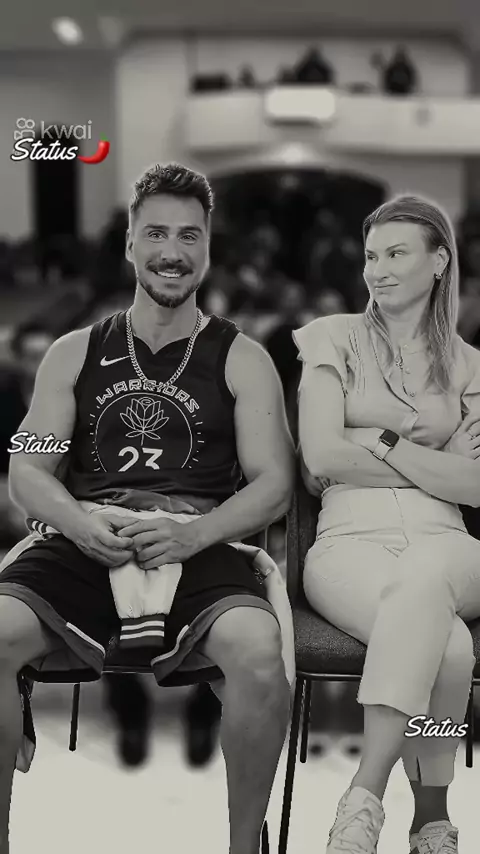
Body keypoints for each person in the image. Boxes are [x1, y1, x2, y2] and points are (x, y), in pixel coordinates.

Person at [0, 162, 295, 854]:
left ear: (208, 248)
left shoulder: (242, 358)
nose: (173, 251)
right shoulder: (73, 354)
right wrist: (79, 523)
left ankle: (244, 848)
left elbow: (274, 483)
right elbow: (28, 469)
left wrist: (195, 536)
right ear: (131, 243)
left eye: (190, 236)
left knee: (259, 653)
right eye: (156, 233)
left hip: (197, 538)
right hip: (86, 533)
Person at [293, 194, 480, 854]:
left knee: (428, 572)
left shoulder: (472, 365)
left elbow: (476, 487)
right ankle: (432, 818)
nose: (378, 270)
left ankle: (363, 796)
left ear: (439, 261)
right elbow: (320, 456)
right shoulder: (331, 338)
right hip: (349, 543)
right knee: (449, 647)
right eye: (371, 256)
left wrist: (378, 440)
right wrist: (438, 462)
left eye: (396, 254)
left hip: (450, 542)